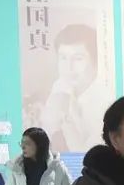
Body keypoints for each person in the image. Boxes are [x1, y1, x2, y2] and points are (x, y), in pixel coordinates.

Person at [39, 24, 104, 153]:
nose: (68, 67)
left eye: (78, 59)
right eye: (63, 58)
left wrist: (67, 126)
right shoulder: (60, 88)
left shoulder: (105, 101)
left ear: (96, 62)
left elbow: (86, 156)